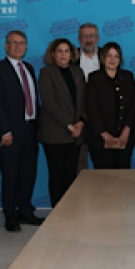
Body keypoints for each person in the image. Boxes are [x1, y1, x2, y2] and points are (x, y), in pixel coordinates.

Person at [0, 30, 44, 232]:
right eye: (14, 43)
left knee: (28, 173)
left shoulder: (29, 68)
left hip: (30, 129)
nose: (18, 46)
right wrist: (5, 131)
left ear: (26, 46)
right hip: (10, 132)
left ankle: (25, 211)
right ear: (6, 46)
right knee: (10, 175)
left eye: (22, 43)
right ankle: (10, 215)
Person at [38, 38, 86, 207]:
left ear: (72, 54)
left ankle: (70, 210)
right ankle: (57, 211)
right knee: (57, 175)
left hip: (75, 133)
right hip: (55, 133)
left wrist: (81, 122)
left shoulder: (77, 72)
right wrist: (68, 124)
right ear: (53, 54)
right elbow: (49, 102)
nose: (63, 54)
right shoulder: (46, 73)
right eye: (59, 51)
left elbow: (83, 100)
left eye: (66, 51)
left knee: (71, 174)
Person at [85, 42, 135, 169]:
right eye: (109, 56)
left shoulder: (128, 77)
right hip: (100, 139)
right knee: (104, 177)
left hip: (124, 137)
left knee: (123, 176)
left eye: (116, 56)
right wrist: (104, 134)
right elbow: (91, 108)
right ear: (103, 58)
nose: (112, 59)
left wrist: (127, 130)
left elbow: (134, 105)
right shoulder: (94, 78)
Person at [75, 22, 101, 171]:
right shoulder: (70, 58)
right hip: (78, 121)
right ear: (79, 39)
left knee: (104, 167)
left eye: (92, 36)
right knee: (79, 164)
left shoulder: (107, 56)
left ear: (98, 38)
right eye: (85, 36)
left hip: (102, 121)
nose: (89, 40)